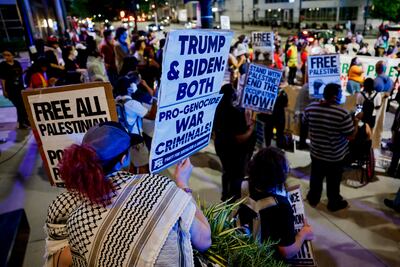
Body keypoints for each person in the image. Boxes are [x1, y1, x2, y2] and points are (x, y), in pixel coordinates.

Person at [44, 122, 211, 266]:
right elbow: (204, 241)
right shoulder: (157, 188)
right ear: (123, 159)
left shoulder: (67, 207)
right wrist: (182, 183)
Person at [238, 147, 314, 259]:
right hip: (263, 259)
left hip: (240, 250)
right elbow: (287, 251)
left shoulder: (241, 186)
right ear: (280, 175)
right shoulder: (281, 206)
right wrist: (304, 234)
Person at [304, 83, 358, 212]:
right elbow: (351, 136)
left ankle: (313, 198)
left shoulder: (311, 108)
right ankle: (333, 203)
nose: (342, 96)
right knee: (333, 182)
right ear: (335, 97)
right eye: (340, 93)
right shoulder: (342, 114)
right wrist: (355, 122)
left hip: (316, 152)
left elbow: (305, 123)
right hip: (334, 156)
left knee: (316, 178)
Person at [214, 84, 255, 202]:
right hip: (233, 150)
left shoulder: (216, 110)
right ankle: (232, 198)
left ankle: (225, 194)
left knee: (226, 170)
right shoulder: (235, 113)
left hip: (220, 146)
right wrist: (251, 129)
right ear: (232, 96)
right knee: (235, 174)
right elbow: (240, 138)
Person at [114, 72, 156, 173]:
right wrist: (155, 99)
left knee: (130, 167)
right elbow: (151, 116)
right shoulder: (132, 104)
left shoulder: (116, 101)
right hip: (136, 141)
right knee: (144, 167)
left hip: (123, 140)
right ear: (129, 88)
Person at [0, 49, 30, 129]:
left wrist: (25, 71)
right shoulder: (3, 65)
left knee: (23, 105)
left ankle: (25, 121)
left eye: (8, 55)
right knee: (19, 106)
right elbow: (3, 79)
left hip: (20, 87)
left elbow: (19, 75)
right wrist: (4, 90)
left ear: (13, 55)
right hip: (10, 89)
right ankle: (21, 123)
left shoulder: (17, 63)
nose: (6, 57)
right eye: (5, 55)